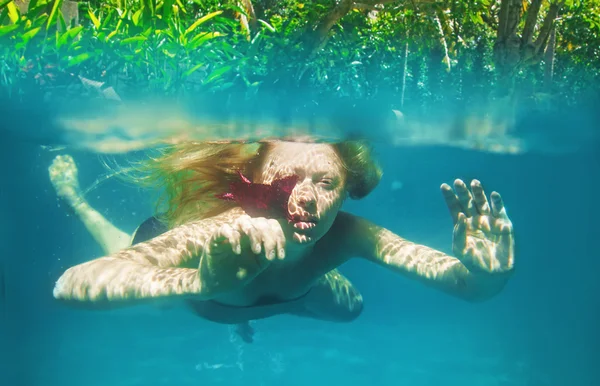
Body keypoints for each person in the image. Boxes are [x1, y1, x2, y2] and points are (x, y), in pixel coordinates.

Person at [51, 138, 515, 330]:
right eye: (289, 180)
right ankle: (74, 196)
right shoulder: (223, 232)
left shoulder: (349, 234)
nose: (307, 198)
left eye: (326, 182)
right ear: (255, 181)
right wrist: (197, 282)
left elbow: (468, 288)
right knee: (121, 247)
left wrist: (487, 276)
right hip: (205, 300)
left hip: (295, 296)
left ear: (347, 191)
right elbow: (71, 284)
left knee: (350, 309)